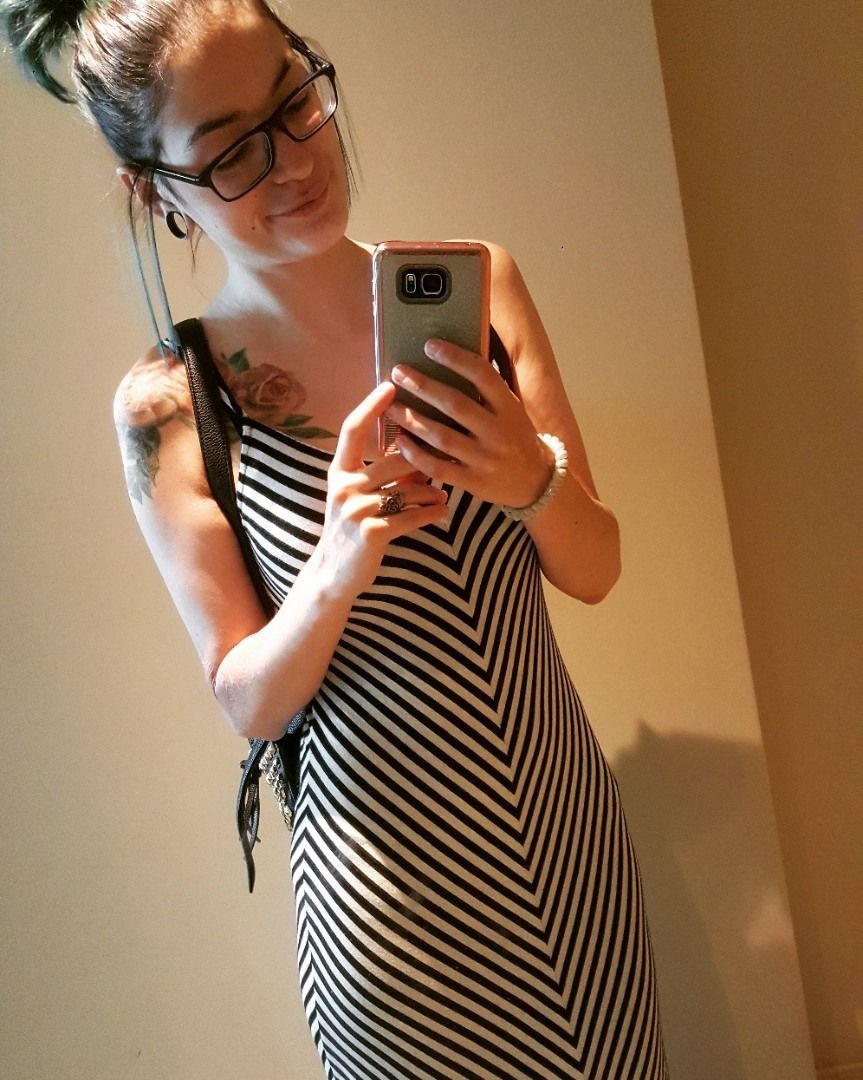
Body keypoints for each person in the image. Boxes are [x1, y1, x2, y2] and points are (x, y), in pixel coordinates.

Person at [3, 1, 669, 1076]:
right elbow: (246, 699)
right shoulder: (171, 406)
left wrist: (529, 479)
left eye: (294, 100)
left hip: (567, 846)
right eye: (230, 151)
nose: (295, 160)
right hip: (390, 916)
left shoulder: (484, 288)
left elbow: (595, 569)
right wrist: (336, 564)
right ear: (154, 190)